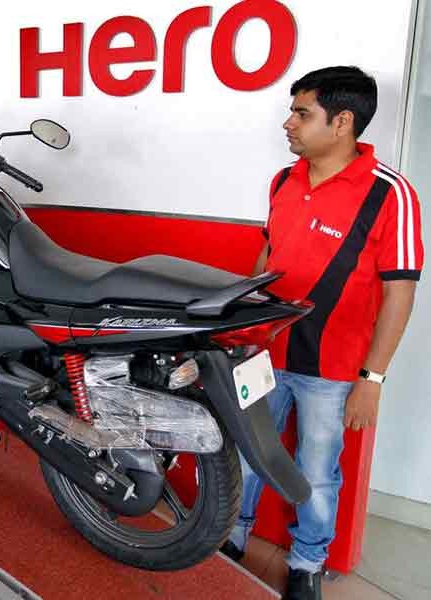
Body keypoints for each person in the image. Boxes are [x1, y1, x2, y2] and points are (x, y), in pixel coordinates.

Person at [220, 67, 423, 600]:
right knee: (245, 450)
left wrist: (372, 379)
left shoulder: (391, 194)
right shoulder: (284, 180)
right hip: (263, 353)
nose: (288, 124)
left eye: (302, 113)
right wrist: (239, 322)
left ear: (342, 122)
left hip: (331, 369)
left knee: (316, 467)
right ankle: (230, 536)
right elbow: (269, 252)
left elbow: (400, 291)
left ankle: (308, 561)